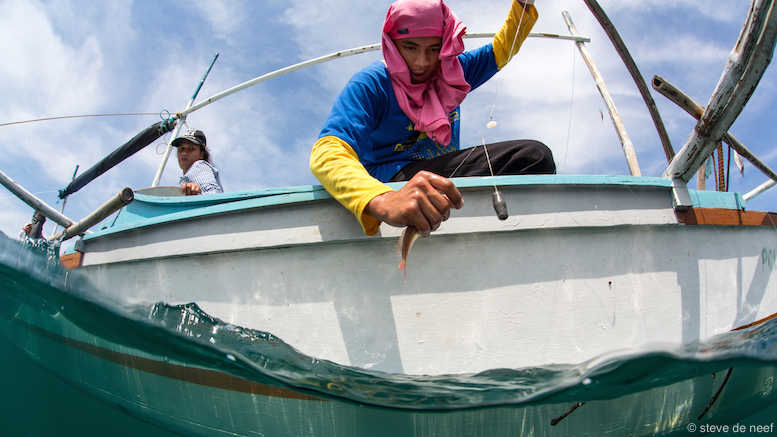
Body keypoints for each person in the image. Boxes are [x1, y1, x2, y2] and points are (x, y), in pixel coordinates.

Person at [310, 0, 555, 238]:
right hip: (392, 183)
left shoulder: (452, 70)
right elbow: (327, 152)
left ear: (446, 45)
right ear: (392, 44)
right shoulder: (371, 83)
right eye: (410, 47)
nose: (422, 62)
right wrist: (384, 200)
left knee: (535, 157)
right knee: (534, 157)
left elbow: (501, 50)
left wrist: (523, 5)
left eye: (434, 49)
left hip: (443, 177)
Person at [172, 128, 224, 196]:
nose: (184, 153)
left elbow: (214, 194)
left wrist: (197, 193)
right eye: (181, 149)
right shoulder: (188, 175)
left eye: (191, 148)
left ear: (201, 154)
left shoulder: (199, 166)